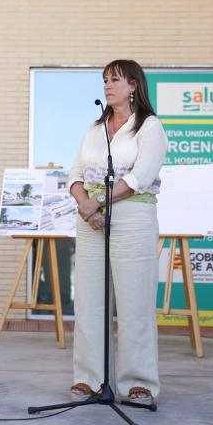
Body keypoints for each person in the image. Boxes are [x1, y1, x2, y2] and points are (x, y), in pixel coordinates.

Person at [67, 60, 168, 406]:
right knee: (90, 304)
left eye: (115, 80)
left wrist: (96, 202)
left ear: (134, 86)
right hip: (91, 220)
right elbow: (75, 174)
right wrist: (87, 205)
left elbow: (141, 175)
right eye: (105, 80)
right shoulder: (94, 130)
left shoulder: (149, 127)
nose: (108, 86)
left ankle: (138, 382)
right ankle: (89, 379)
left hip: (133, 217)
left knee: (134, 304)